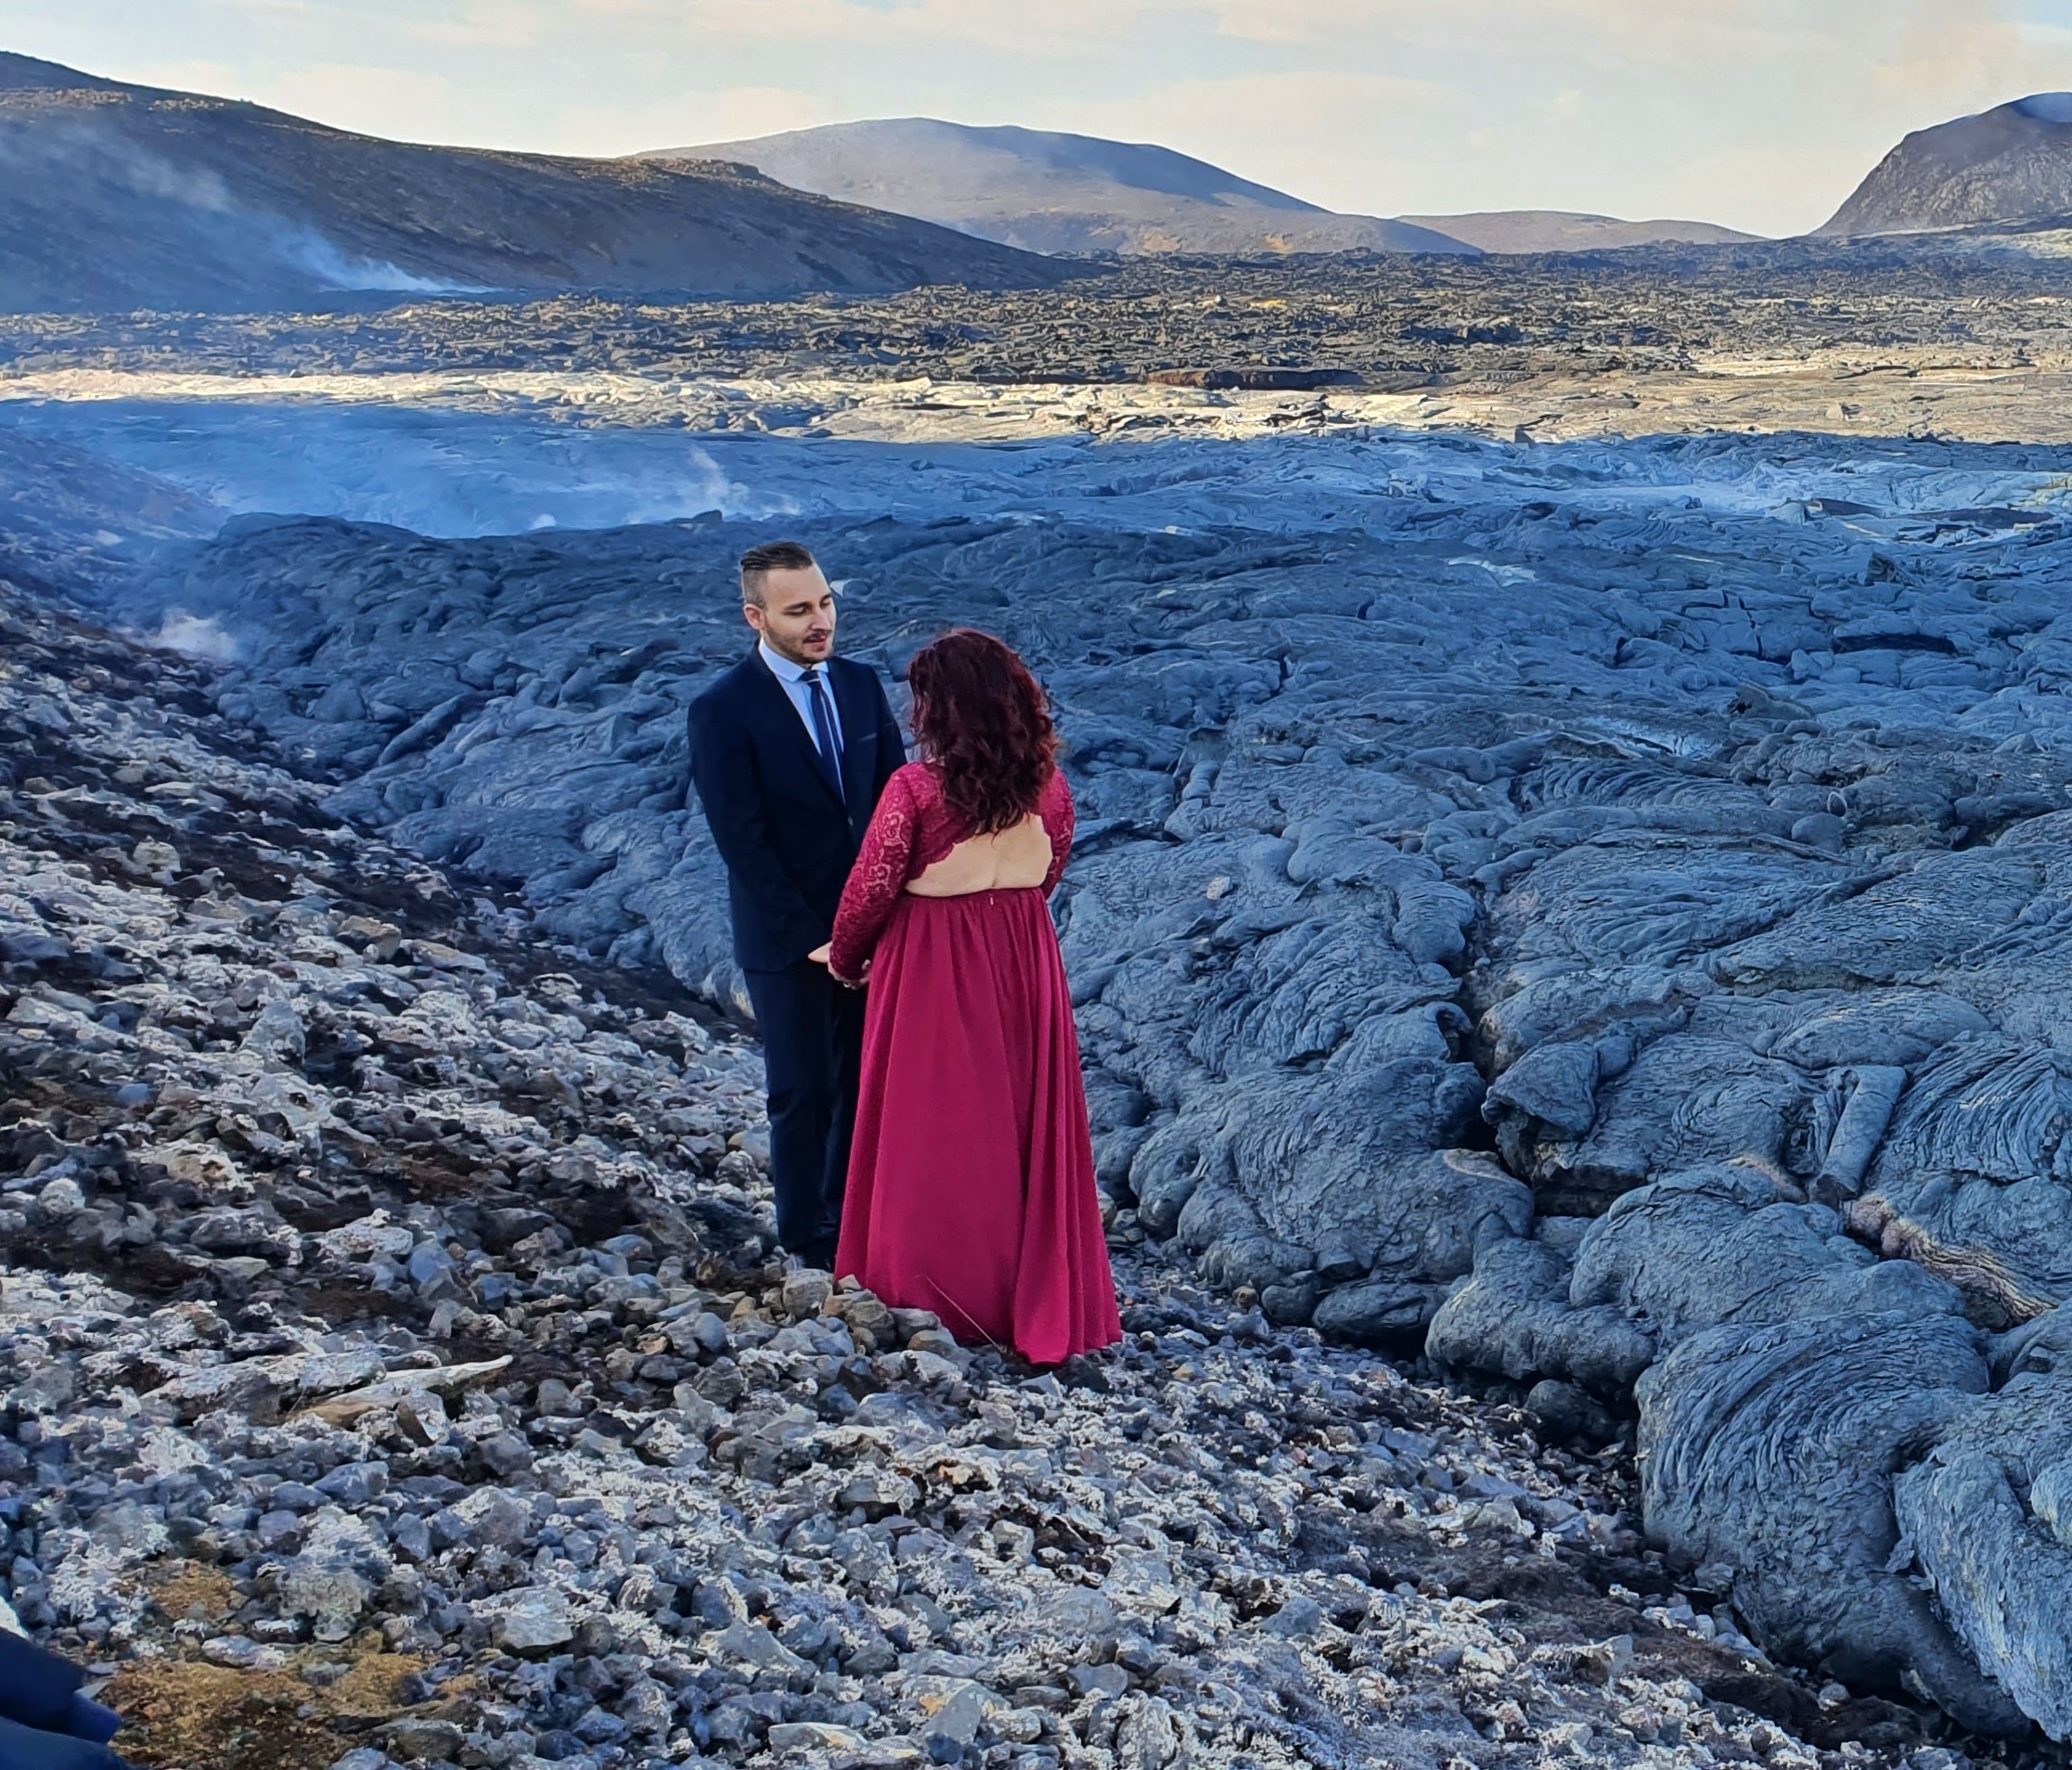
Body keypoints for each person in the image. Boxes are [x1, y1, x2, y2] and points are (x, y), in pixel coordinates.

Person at [827, 629, 1122, 1365]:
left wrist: (847, 956)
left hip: (933, 953)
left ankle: (930, 1288)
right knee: (1022, 1122)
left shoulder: (915, 788)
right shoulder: (1050, 788)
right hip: (1022, 952)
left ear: (941, 707)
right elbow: (1048, 874)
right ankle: (1020, 1295)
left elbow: (871, 887)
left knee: (936, 1122)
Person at [688, 541, 906, 1270]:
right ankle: (806, 1240)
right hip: (789, 944)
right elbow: (741, 840)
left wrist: (888, 918)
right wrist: (815, 937)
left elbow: (894, 807)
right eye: (799, 610)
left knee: (866, 1085)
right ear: (756, 616)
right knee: (802, 1089)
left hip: (874, 931)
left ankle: (855, 1221)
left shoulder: (860, 685)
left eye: (825, 603)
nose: (821, 621)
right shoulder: (722, 710)